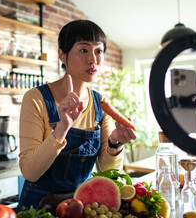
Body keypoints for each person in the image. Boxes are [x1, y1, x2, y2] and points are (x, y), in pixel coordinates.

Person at [17, 20, 136, 211]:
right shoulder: (36, 98)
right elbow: (30, 172)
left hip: (82, 207)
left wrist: (115, 142)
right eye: (83, 50)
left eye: (99, 51)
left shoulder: (100, 103)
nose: (93, 59)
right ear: (62, 55)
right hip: (39, 208)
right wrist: (62, 127)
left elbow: (108, 173)